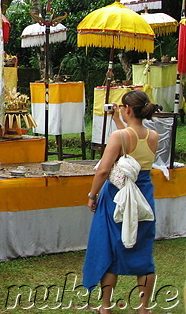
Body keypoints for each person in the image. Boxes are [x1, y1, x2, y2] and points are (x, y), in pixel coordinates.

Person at [83, 90, 160, 313]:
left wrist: (92, 195)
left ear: (127, 109)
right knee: (143, 248)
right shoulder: (153, 136)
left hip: (118, 196)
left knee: (111, 247)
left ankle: (105, 306)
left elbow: (104, 169)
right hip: (143, 195)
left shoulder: (120, 137)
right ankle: (144, 307)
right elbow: (133, 146)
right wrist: (119, 121)